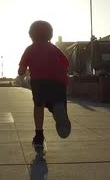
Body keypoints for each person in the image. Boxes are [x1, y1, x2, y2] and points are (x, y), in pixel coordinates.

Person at [18, 20, 71, 150]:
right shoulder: (53, 48)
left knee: (39, 105)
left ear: (31, 35)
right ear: (50, 34)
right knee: (56, 103)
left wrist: (22, 71)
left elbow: (21, 70)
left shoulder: (30, 49)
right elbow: (66, 63)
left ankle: (39, 136)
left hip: (39, 82)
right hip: (58, 82)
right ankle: (58, 113)